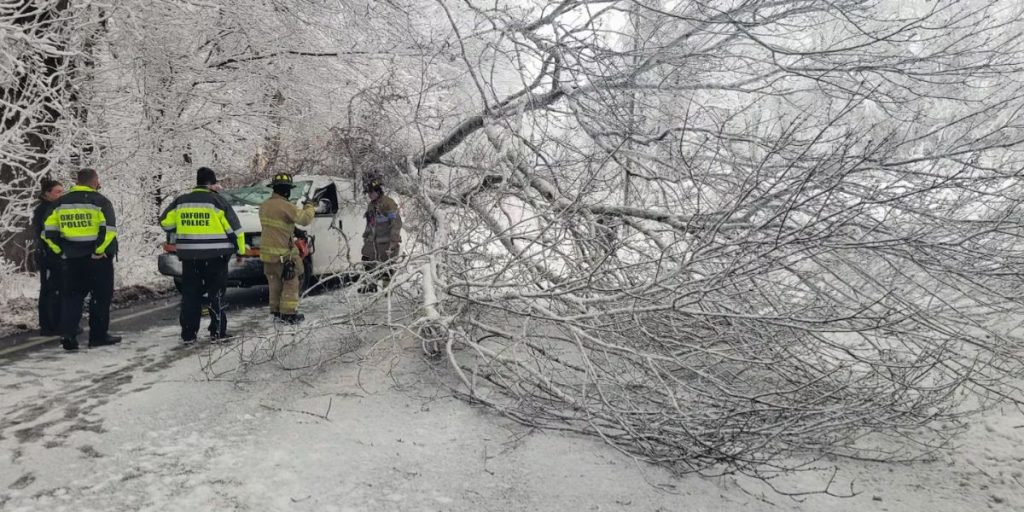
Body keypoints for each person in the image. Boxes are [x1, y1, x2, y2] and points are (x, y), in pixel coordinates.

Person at [159, 167, 245, 344]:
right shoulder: (217, 201)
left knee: (190, 295)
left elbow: (165, 223)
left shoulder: (181, 201)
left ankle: (189, 334)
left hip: (190, 259)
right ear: (212, 184)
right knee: (217, 295)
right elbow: (235, 230)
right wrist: (240, 250)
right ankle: (217, 332)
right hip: (216, 258)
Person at [41, 168, 121, 351]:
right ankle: (98, 337)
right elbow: (109, 230)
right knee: (100, 298)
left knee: (72, 297)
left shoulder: (60, 203)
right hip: (97, 260)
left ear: (77, 182)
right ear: (94, 181)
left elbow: (48, 233)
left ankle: (68, 334)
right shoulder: (100, 202)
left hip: (71, 260)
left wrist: (61, 251)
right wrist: (99, 250)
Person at [258, 173, 315, 324]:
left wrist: (294, 231)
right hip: (284, 255)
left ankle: (276, 312)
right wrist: (309, 206)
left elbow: (278, 224)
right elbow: (305, 219)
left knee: (274, 283)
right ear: (286, 190)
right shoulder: (286, 206)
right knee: (291, 282)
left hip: (267, 255)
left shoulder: (264, 206)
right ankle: (289, 314)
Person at [31, 178, 65, 335]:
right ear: (47, 193)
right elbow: (43, 234)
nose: (61, 194)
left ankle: (57, 323)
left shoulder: (57, 208)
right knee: (49, 290)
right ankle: (48, 325)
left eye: (62, 191)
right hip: (47, 255)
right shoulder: (42, 210)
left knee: (58, 288)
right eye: (58, 192)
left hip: (56, 254)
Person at [359, 178, 402, 294]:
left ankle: (387, 290)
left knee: (387, 267)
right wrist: (366, 238)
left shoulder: (388, 203)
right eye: (368, 193)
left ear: (378, 192)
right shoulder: (371, 206)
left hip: (386, 242)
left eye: (371, 192)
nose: (369, 195)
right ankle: (370, 285)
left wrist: (393, 241)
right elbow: (369, 224)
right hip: (372, 242)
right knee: (367, 261)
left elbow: (396, 223)